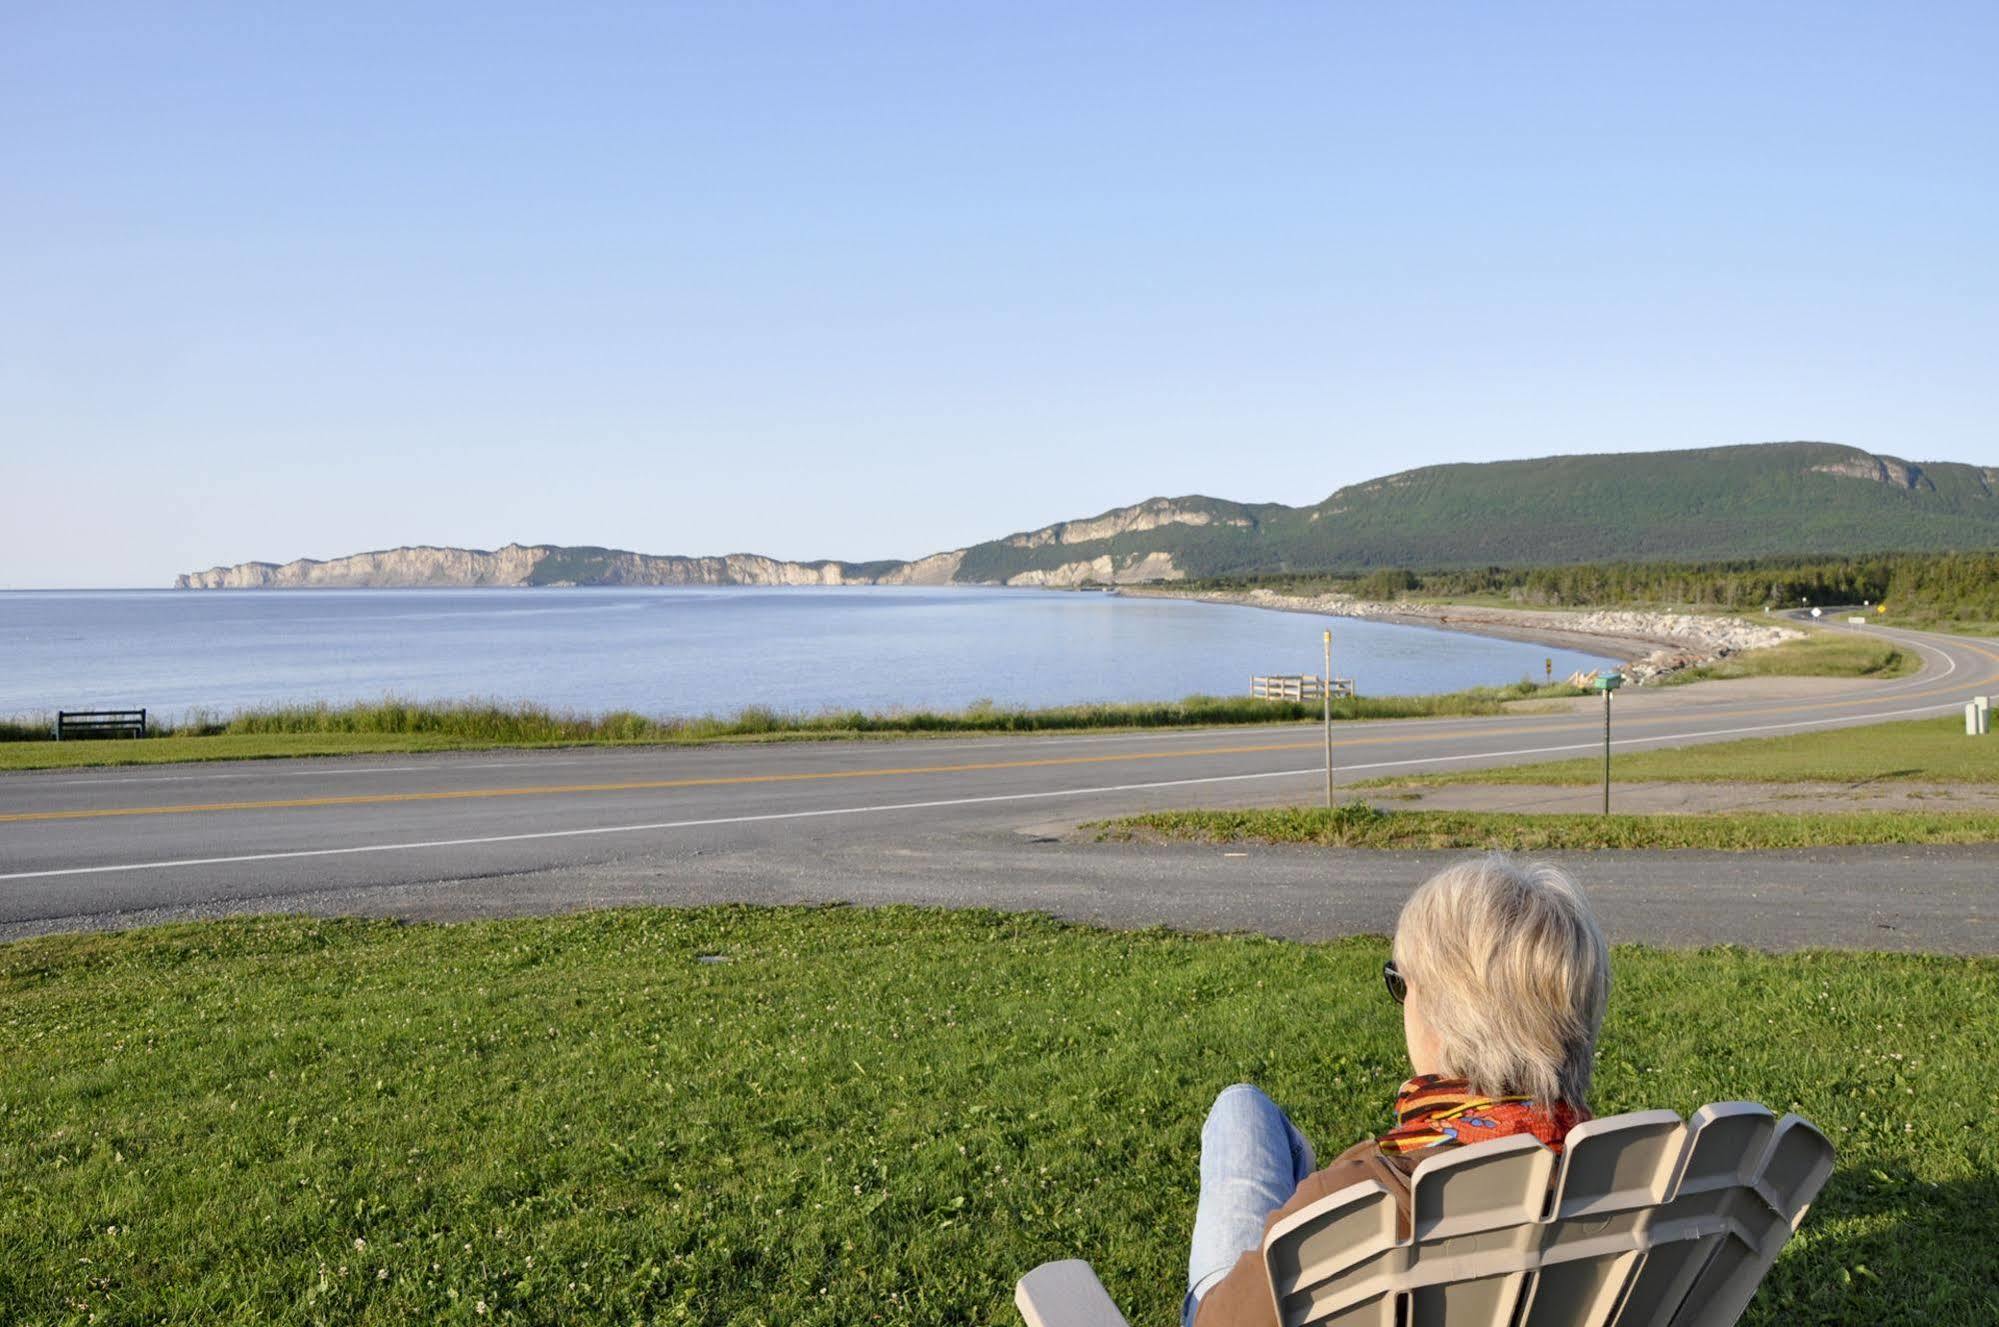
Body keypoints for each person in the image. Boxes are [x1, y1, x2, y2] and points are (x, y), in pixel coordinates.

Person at [1184, 854, 1611, 1327]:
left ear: (1449, 1018)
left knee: (1240, 1111)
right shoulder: (1620, 1181)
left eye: (1402, 983)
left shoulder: (1356, 1201)